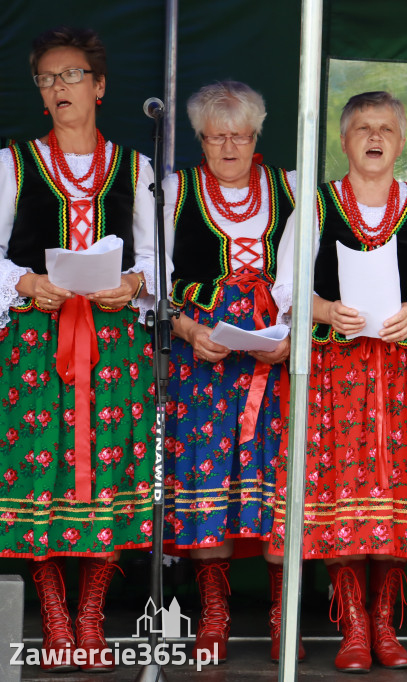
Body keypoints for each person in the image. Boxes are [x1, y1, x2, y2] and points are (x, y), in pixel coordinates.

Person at [270, 91, 407, 674]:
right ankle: (354, 625)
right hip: (337, 374)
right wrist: (326, 311)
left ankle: (385, 624)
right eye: (361, 128)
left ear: (401, 142)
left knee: (395, 495)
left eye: (385, 128)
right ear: (344, 140)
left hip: (401, 374)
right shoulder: (316, 205)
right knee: (341, 496)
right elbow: (286, 288)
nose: (374, 137)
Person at [0, 27, 155, 673]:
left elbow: (155, 255)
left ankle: (91, 616)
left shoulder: (137, 167)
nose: (58, 87)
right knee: (43, 470)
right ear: (39, 94)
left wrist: (134, 283)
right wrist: (26, 282)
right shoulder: (12, 164)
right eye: (47, 78)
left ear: (98, 86)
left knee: (109, 473)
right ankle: (54, 617)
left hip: (114, 345)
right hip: (38, 344)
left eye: (70, 76)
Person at [162, 80, 295, 664]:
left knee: (278, 482)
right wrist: (189, 330)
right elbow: (152, 277)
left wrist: (292, 338)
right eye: (217, 137)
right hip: (204, 363)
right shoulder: (174, 191)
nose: (229, 147)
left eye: (239, 135)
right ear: (201, 140)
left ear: (256, 136)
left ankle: (280, 614)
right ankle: (213, 613)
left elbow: (312, 273)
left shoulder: (290, 188)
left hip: (275, 361)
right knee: (205, 474)